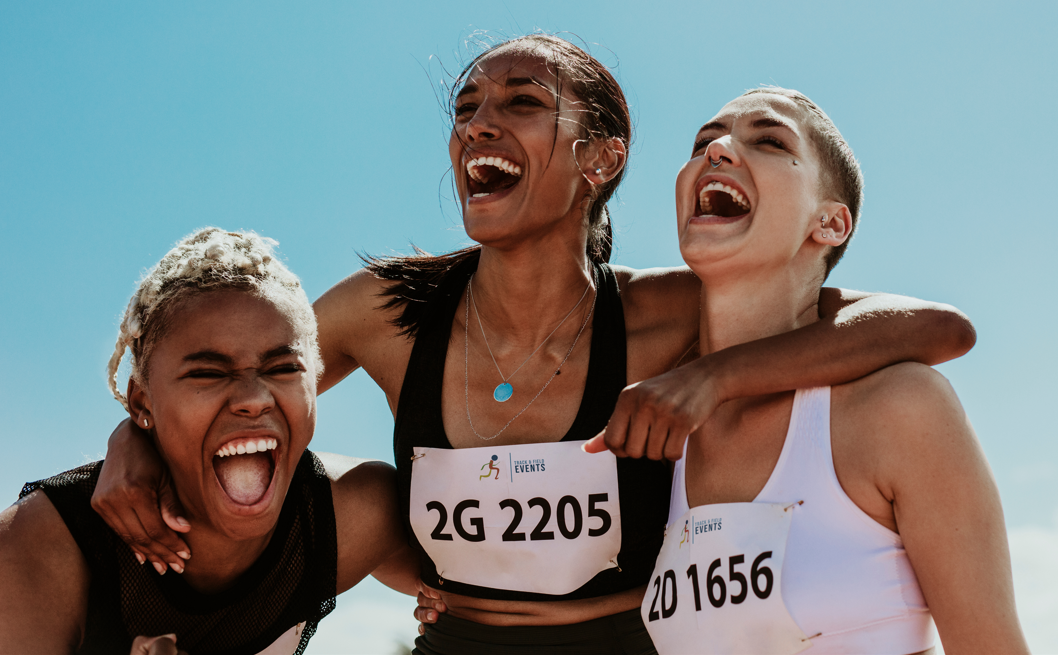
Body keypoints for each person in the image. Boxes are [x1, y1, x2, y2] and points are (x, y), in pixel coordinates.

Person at [93, 36, 977, 654]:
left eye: (521, 104)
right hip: (451, 648)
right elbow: (240, 399)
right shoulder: (387, 310)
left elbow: (929, 328)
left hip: (634, 647)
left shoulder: (667, 312)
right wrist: (128, 440)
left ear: (599, 160)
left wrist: (709, 378)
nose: (479, 124)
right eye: (467, 107)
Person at [638, 88, 1030, 654]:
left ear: (831, 223)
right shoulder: (653, 428)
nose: (717, 150)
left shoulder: (899, 407)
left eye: (769, 141)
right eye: (703, 141)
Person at [0, 228, 415, 655]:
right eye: (208, 374)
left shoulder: (356, 514)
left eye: (283, 368)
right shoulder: (35, 551)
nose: (254, 399)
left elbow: (474, 601)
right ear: (141, 402)